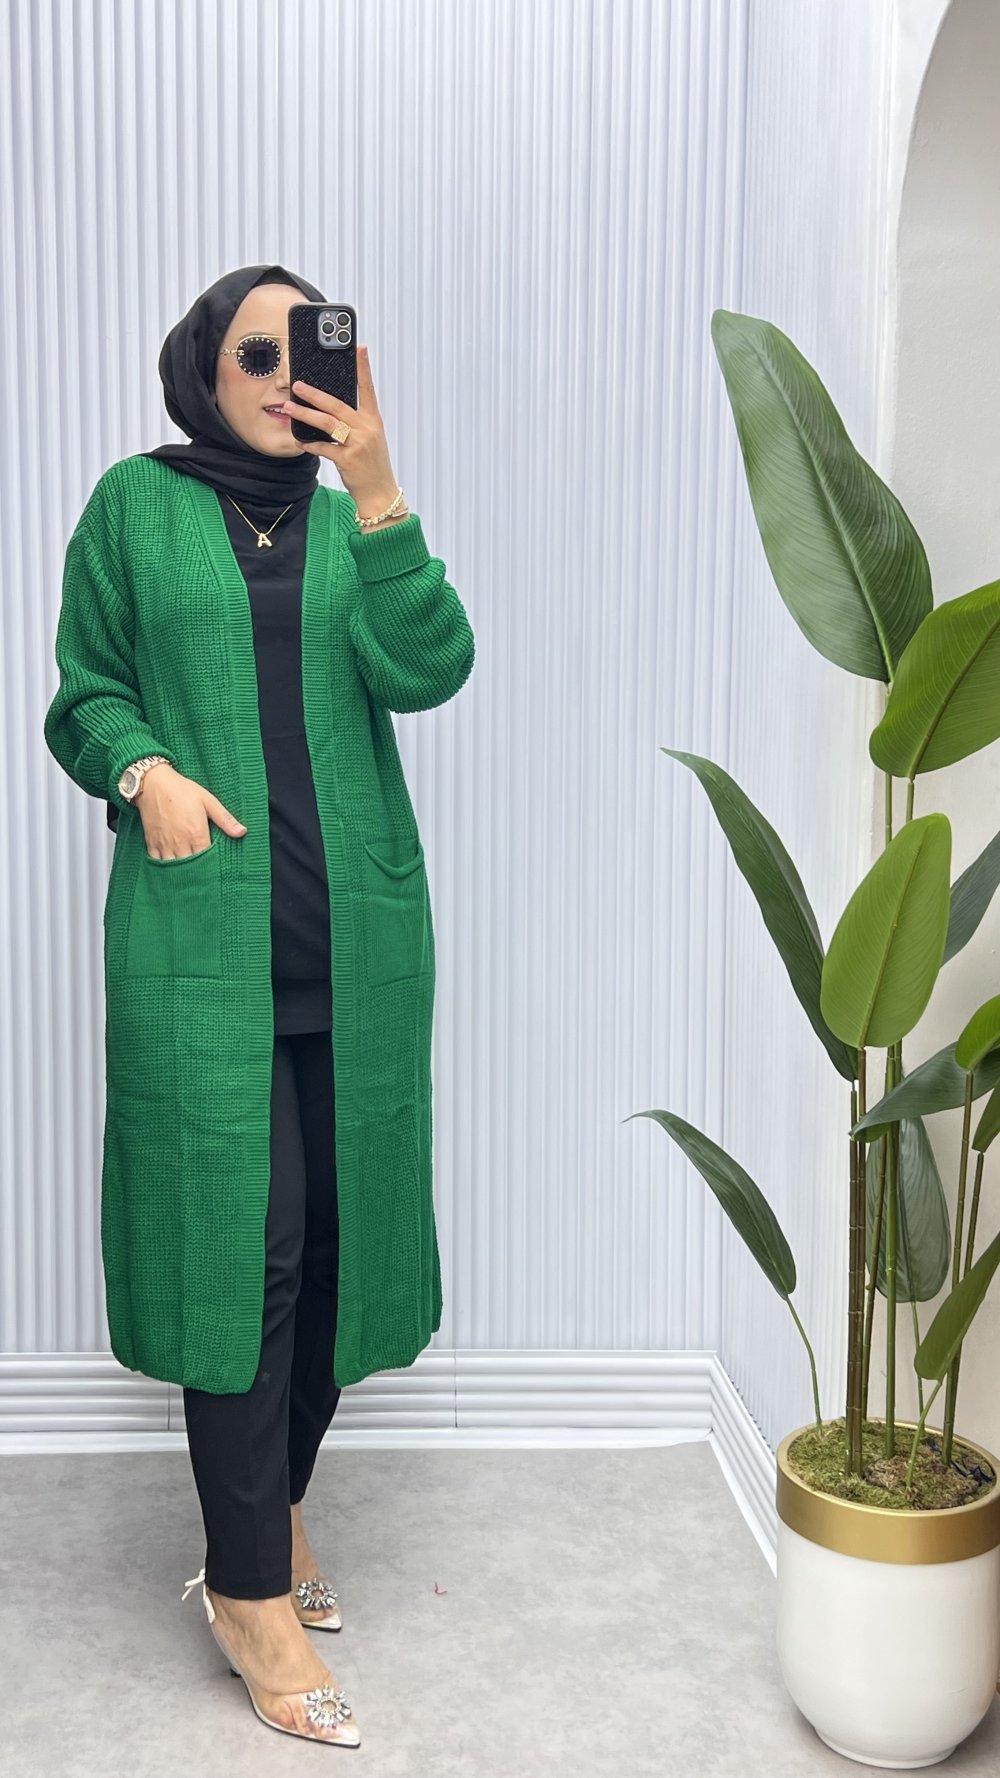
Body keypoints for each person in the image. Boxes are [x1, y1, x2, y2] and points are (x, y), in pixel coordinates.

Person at [43, 264, 475, 1746]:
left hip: (360, 949)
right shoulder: (134, 507)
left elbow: (432, 668)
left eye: (312, 348)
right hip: (200, 952)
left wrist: (383, 484)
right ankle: (246, 1591)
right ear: (203, 372)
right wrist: (142, 770)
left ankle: (272, 1510)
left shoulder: (355, 517)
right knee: (251, 1253)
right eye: (256, 350)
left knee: (343, 1250)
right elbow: (84, 692)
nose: (289, 373)